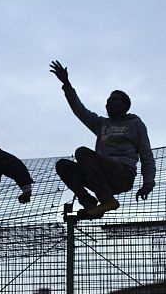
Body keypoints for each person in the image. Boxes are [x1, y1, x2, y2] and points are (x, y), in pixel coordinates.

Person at [49, 60, 155, 219]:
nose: (109, 102)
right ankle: (90, 203)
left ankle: (107, 201)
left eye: (114, 100)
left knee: (82, 153)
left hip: (122, 174)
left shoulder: (135, 124)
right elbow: (80, 110)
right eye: (108, 100)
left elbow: (146, 155)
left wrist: (148, 183)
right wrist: (66, 84)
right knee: (63, 165)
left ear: (125, 105)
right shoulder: (102, 124)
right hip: (100, 177)